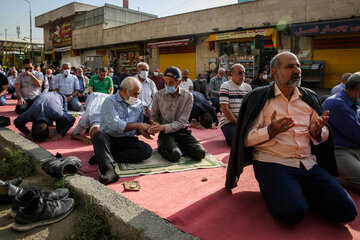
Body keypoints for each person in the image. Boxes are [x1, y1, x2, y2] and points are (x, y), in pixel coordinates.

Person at [226, 52, 357, 224]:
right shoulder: (260, 98)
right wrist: (270, 131)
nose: (297, 70)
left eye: (298, 66)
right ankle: (284, 190)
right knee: (292, 214)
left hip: (307, 163)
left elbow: (323, 134)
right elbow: (246, 139)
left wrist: (316, 131)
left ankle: (297, 190)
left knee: (347, 212)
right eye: (290, 66)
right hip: (273, 163)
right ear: (275, 72)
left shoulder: (308, 97)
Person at [92, 77, 153, 185]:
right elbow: (116, 125)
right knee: (99, 136)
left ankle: (104, 156)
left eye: (138, 94)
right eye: (135, 93)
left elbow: (136, 126)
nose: (137, 97)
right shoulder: (109, 101)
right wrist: (139, 125)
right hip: (110, 138)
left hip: (127, 139)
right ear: (125, 90)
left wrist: (143, 130)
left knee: (147, 150)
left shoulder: (138, 104)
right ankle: (109, 170)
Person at [149, 67, 206, 163]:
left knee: (200, 153)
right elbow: (154, 116)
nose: (167, 85)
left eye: (171, 83)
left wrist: (162, 127)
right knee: (174, 155)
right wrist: (154, 124)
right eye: (165, 83)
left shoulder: (188, 97)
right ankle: (164, 145)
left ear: (179, 82)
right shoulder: (158, 95)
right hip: (166, 133)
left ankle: (177, 145)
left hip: (182, 131)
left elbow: (182, 122)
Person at [322, 72, 360, 192]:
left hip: (354, 149)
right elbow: (357, 135)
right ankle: (329, 175)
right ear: (358, 90)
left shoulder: (352, 105)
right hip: (339, 151)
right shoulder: (336, 103)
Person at [220, 64, 252, 147]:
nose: (243, 75)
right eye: (240, 73)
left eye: (244, 73)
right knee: (235, 141)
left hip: (243, 121)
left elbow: (250, 107)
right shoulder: (225, 86)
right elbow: (225, 109)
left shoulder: (248, 87)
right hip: (229, 122)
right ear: (232, 74)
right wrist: (238, 123)